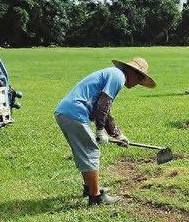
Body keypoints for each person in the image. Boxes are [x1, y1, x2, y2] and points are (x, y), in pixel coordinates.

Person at [54, 57, 156, 205]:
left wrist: (117, 134)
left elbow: (103, 109)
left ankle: (89, 188)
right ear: (132, 72)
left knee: (85, 152)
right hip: (74, 113)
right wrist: (100, 130)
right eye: (140, 78)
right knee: (91, 152)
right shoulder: (118, 76)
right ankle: (95, 197)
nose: (138, 83)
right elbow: (104, 104)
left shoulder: (114, 74)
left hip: (66, 112)